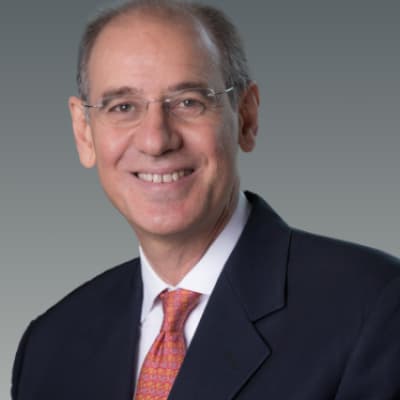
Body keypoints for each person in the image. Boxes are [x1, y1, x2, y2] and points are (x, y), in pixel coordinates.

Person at [11, 0, 400, 399]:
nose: (156, 140)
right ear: (84, 132)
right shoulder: (50, 346)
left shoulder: (375, 308)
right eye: (123, 107)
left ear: (246, 117)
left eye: (188, 102)